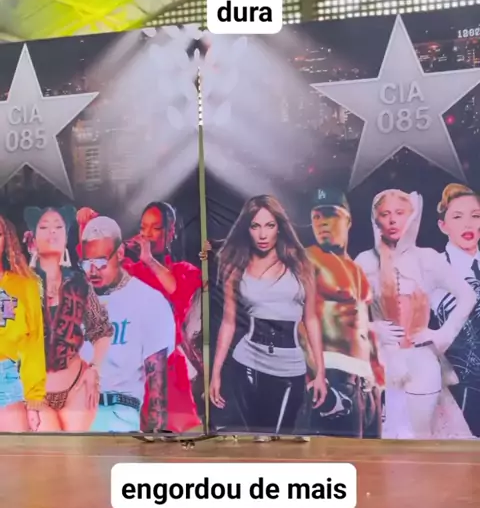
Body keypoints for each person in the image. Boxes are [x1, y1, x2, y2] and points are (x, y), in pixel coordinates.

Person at [355, 190, 475, 440]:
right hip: (381, 361)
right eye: (385, 214)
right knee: (385, 437)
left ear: (412, 216)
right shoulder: (365, 261)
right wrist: (372, 328)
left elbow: (468, 296)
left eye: (400, 213)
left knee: (420, 439)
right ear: (375, 219)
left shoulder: (426, 258)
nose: (392, 220)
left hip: (421, 359)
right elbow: (344, 311)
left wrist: (442, 335)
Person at [209, 195, 327, 438]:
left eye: (269, 225)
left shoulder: (300, 264)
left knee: (280, 440)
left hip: (291, 366)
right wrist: (216, 373)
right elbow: (229, 322)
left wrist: (320, 372)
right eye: (255, 226)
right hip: (248, 364)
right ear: (247, 229)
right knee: (257, 440)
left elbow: (311, 319)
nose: (262, 235)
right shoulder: (236, 266)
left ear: (279, 227)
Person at [81, 216, 175, 433]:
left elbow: (157, 390)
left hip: (118, 418)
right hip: (72, 417)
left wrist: (155, 442)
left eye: (101, 262)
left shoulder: (148, 301)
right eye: (87, 263)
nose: (93, 271)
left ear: (120, 253)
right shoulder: (76, 299)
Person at [303, 188, 384, 438]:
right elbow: (298, 322)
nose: (322, 222)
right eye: (316, 216)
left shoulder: (357, 269)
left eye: (330, 214)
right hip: (333, 375)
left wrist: (379, 379)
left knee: (371, 459)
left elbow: (366, 327)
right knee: (336, 457)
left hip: (366, 382)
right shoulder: (308, 259)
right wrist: (316, 376)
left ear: (348, 220)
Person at [24, 206, 113, 432]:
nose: (52, 232)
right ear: (33, 237)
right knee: (50, 449)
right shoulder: (21, 285)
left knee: (75, 449)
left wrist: (95, 369)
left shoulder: (79, 282)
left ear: (66, 236)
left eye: (58, 227)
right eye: (44, 227)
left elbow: (101, 330)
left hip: (77, 386)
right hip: (34, 393)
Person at [123, 201, 202, 434]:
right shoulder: (130, 270)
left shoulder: (184, 271)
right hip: (132, 368)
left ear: (171, 231)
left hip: (168, 369)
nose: (147, 234)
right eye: (143, 227)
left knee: (179, 436)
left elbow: (177, 292)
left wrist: (149, 260)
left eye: (155, 228)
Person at [431, 183, 480, 437]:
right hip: (462, 389)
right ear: (443, 226)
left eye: (475, 216)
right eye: (457, 217)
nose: (468, 224)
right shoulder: (433, 268)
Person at [0, 215, 46, 432]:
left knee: (15, 452)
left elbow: (34, 342)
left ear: (6, 240)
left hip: (6, 381)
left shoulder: (25, 286)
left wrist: (34, 399)